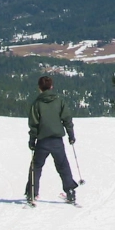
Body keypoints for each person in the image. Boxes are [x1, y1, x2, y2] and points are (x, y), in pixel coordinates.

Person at [25, 75, 78, 205]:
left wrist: (32, 141)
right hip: (57, 140)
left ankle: (32, 193)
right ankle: (70, 192)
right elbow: (67, 119)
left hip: (42, 141)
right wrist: (71, 135)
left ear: (39, 88)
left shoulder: (36, 104)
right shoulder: (59, 101)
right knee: (63, 166)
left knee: (36, 167)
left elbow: (34, 124)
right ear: (51, 87)